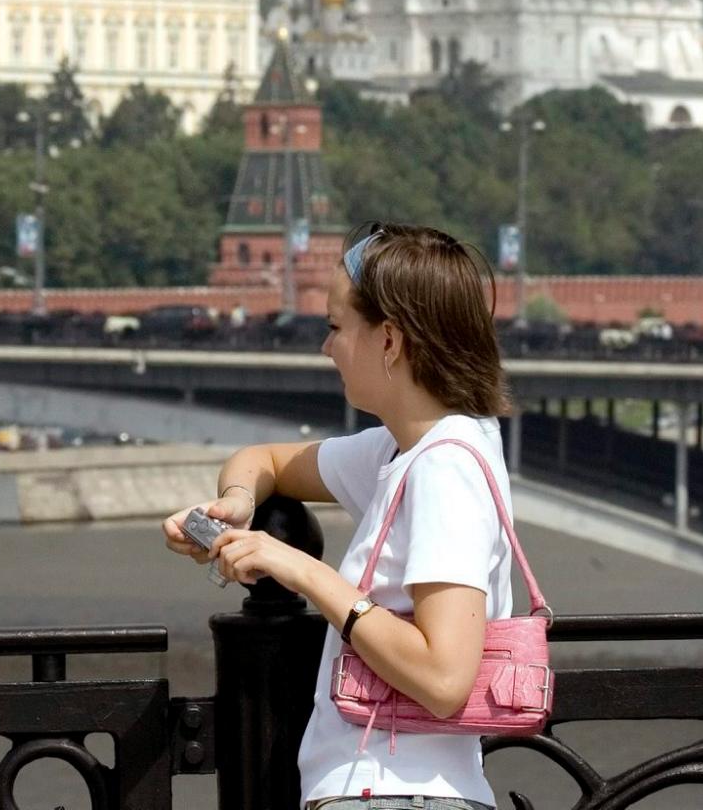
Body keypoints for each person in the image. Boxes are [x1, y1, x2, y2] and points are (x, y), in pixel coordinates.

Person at [162, 222, 515, 810]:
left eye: (335, 327)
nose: (326, 347)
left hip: (395, 795)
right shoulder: (404, 450)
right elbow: (265, 459)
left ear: (389, 341)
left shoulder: (444, 471)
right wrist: (238, 505)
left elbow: (445, 678)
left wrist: (300, 569)